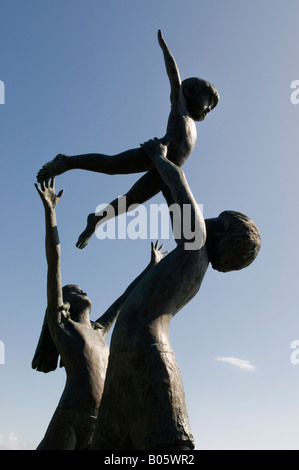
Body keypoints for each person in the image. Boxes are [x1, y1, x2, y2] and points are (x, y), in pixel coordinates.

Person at [91, 138, 261, 450]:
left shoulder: (196, 244)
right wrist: (163, 165)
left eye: (216, 218)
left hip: (148, 359)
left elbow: (177, 182)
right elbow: (171, 191)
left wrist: (159, 155)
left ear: (221, 231)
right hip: (124, 361)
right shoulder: (192, 256)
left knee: (170, 450)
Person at [36, 30, 219, 249]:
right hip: (157, 153)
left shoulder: (192, 125)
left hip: (167, 170)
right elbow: (173, 74)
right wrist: (164, 49)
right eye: (207, 100)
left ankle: (96, 219)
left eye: (212, 107)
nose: (208, 108)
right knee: (114, 165)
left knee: (131, 201)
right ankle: (67, 161)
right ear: (189, 92)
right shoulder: (180, 106)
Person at [33, 178, 167, 450]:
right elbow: (54, 261)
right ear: (66, 303)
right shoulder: (62, 325)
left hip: (101, 426)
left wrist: (151, 267)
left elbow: (125, 299)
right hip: (69, 421)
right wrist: (50, 211)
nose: (81, 289)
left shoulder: (99, 330)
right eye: (74, 289)